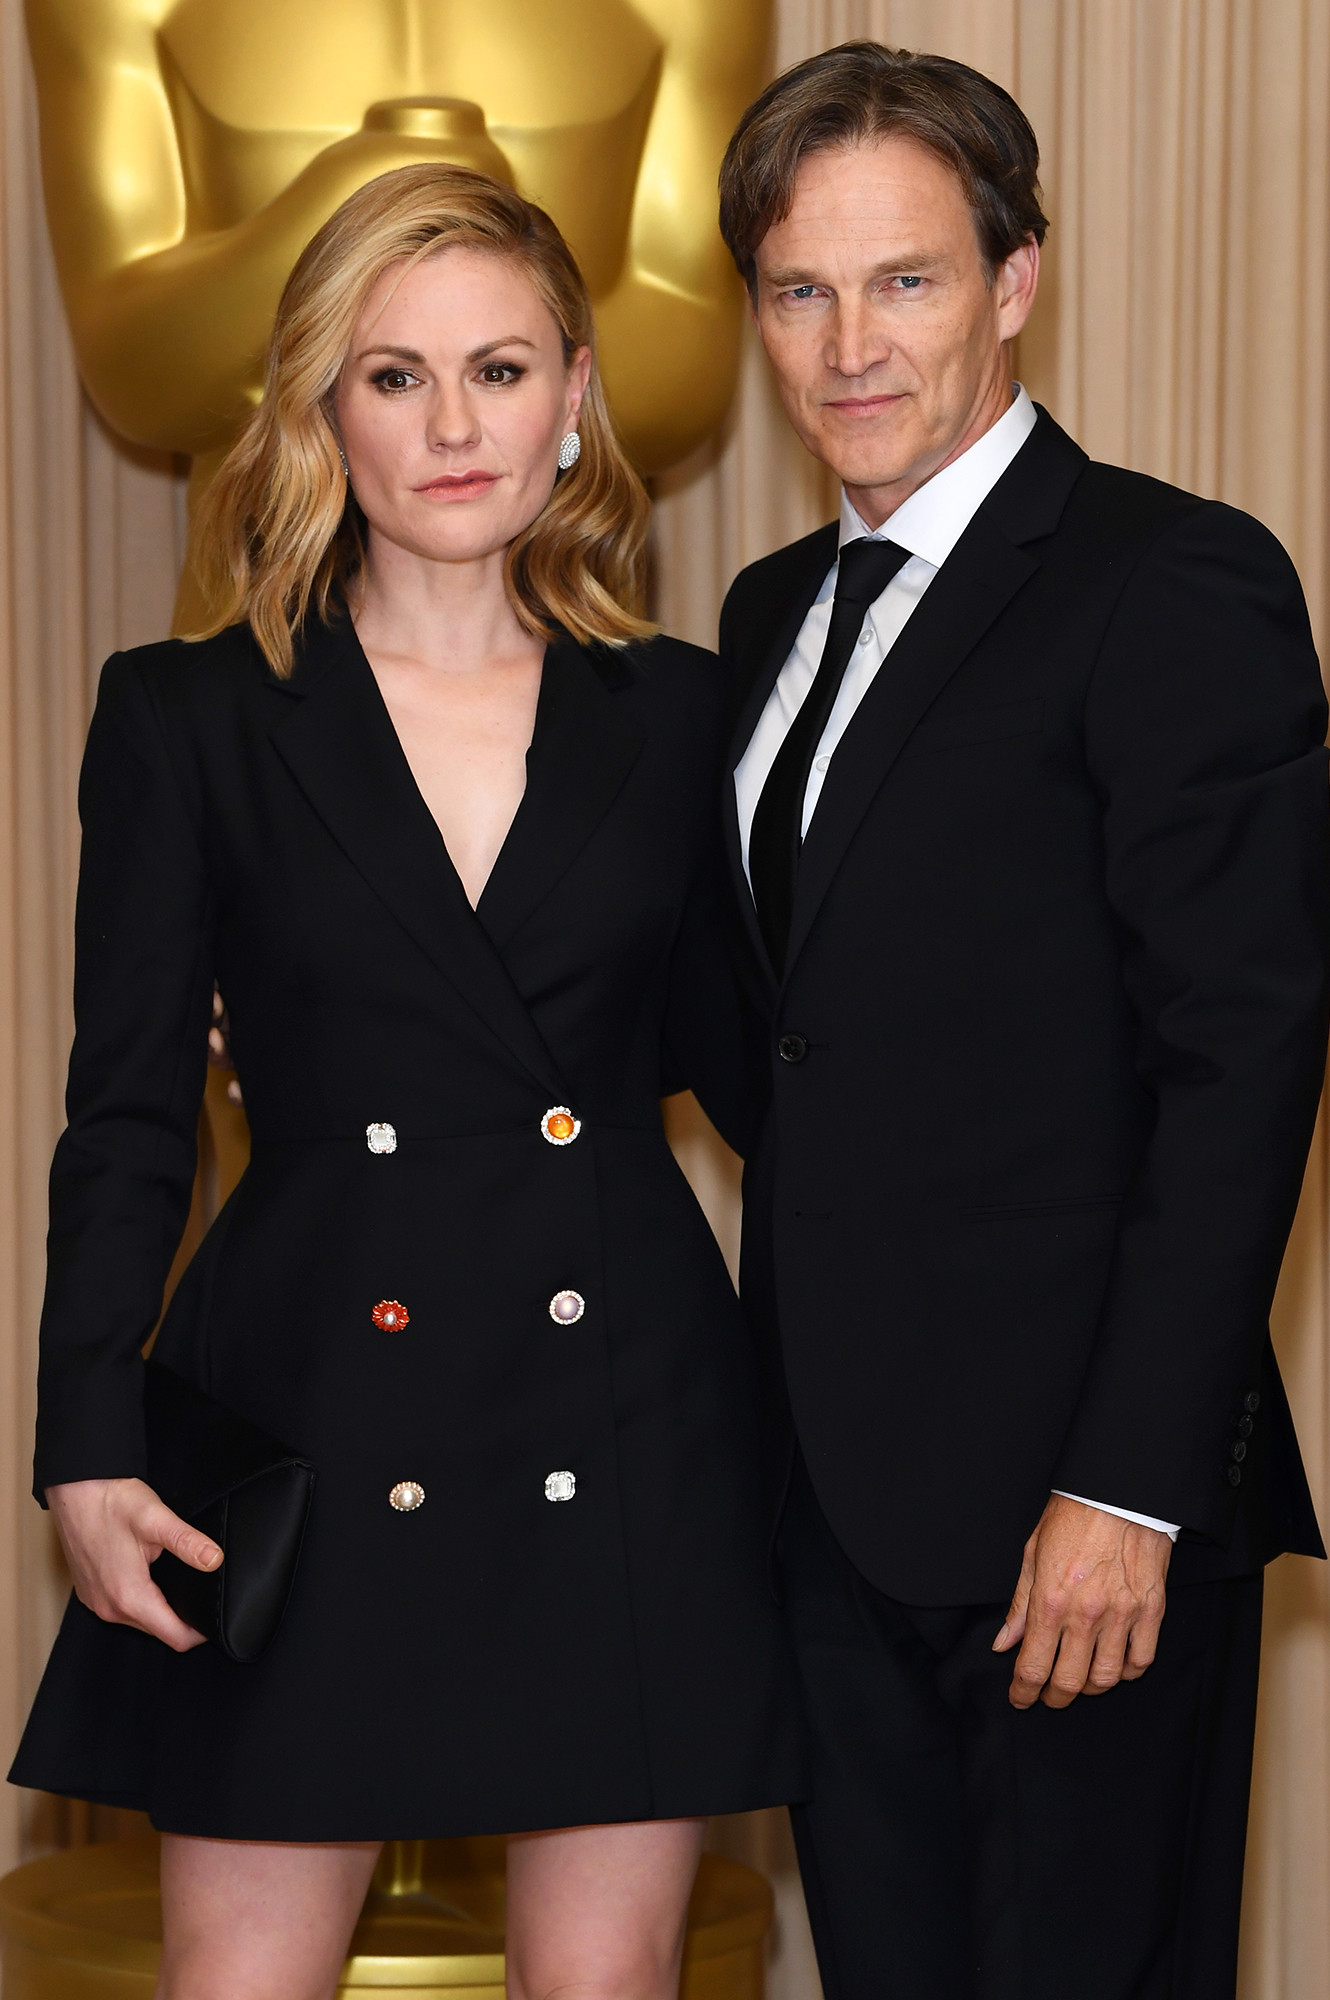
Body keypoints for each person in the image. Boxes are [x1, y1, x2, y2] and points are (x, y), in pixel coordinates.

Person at [9, 163, 802, 2000]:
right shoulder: (189, 714)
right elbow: (124, 1115)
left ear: (575, 394)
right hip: (305, 1407)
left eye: (499, 370)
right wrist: (84, 1439)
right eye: (394, 376)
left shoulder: (688, 714)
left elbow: (763, 1072)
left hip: (617, 1415)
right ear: (320, 409)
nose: (453, 427)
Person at [714, 43, 1330, 2000]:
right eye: (800, 292)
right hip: (825, 1504)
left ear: (1013, 281)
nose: (848, 346)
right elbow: (758, 1029)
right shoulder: (763, 616)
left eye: (901, 280)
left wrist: (1126, 1486)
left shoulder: (1170, 578)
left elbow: (1241, 1059)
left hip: (1079, 1520)